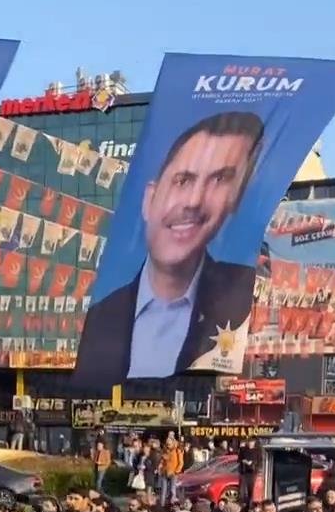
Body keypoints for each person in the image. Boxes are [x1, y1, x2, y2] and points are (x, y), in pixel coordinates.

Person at [75, 111, 263, 384]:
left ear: (233, 202)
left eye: (219, 179)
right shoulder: (99, 318)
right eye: (183, 180)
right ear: (149, 199)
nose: (194, 201)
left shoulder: (242, 297)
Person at [159, 432, 184, 506]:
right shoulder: (165, 450)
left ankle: (172, 505)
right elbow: (162, 460)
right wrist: (160, 467)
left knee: (172, 491)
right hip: (165, 472)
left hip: (173, 473)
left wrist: (177, 471)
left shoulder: (177, 450)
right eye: (167, 444)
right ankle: (162, 505)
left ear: (173, 443)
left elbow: (181, 462)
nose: (167, 445)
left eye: (169, 444)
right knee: (163, 491)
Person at [237, 438, 259, 510]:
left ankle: (250, 506)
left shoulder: (257, 451)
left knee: (251, 490)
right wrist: (245, 461)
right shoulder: (243, 450)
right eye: (249, 442)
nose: (250, 443)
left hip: (252, 473)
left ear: (254, 442)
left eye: (252, 442)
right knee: (242, 491)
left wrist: (252, 463)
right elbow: (239, 459)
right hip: (244, 473)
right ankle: (242, 505)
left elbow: (259, 461)